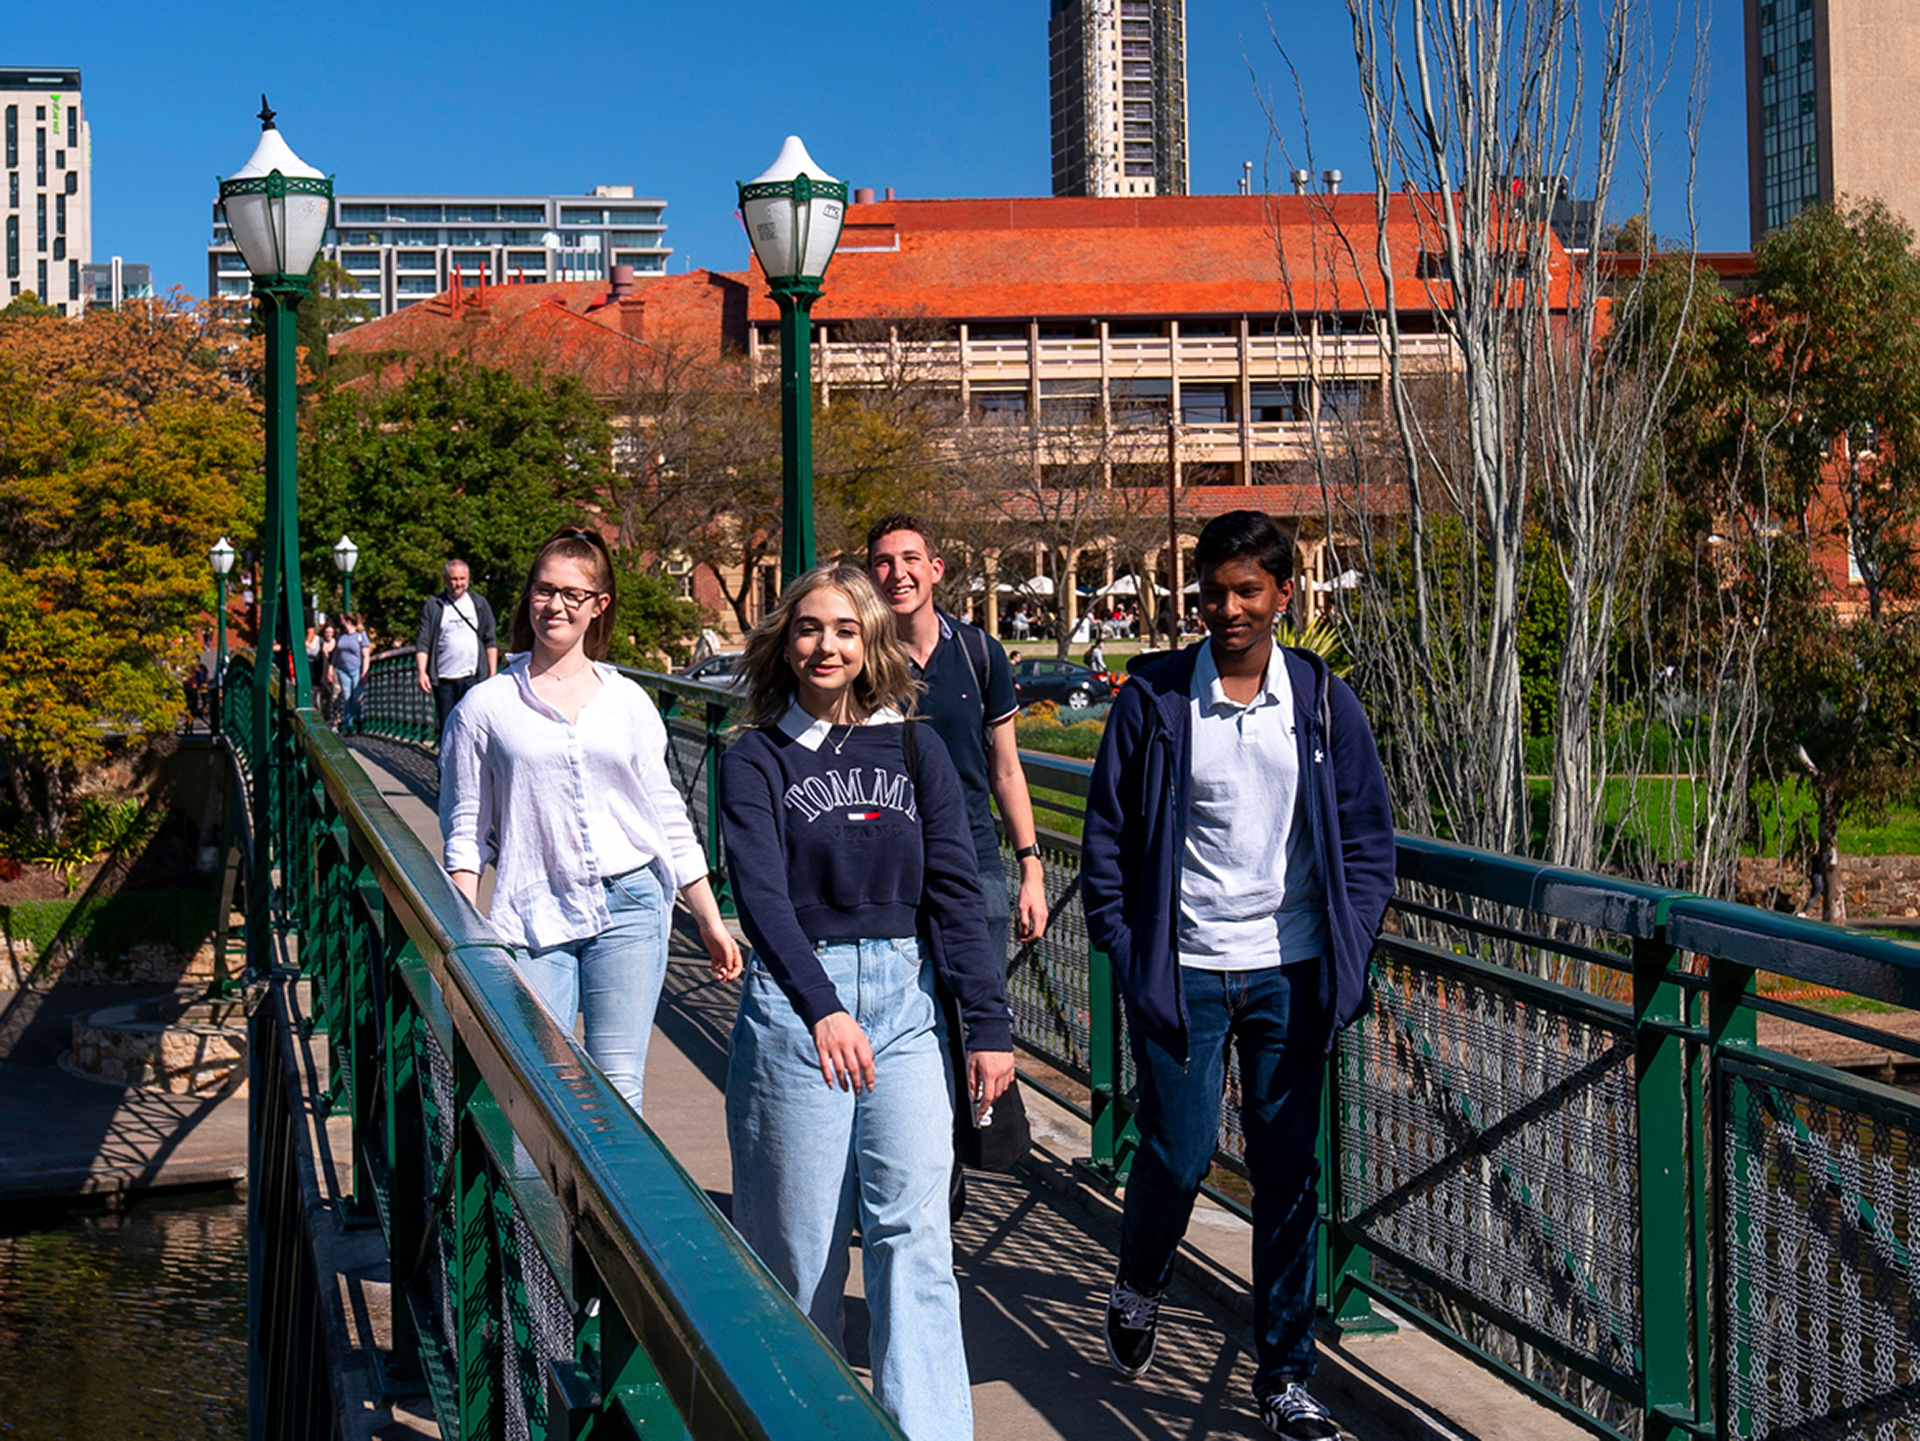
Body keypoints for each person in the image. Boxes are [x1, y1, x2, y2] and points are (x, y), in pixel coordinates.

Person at [1081, 510, 1395, 1440]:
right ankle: (1139, 1283)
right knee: (1176, 1155)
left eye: (1247, 590)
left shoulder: (1323, 702)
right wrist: (1120, 941)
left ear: (1282, 596)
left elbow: (1369, 838)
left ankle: (1285, 1377)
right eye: (1213, 590)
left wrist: (1353, 936)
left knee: (1287, 1174)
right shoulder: (1157, 699)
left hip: (1289, 973)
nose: (1227, 607)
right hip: (1182, 970)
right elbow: (1108, 834)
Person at [720, 563, 1013, 1441]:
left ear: (871, 641)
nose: (826, 645)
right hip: (797, 1003)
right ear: (786, 639)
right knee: (799, 1249)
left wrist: (988, 1026)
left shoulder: (916, 747)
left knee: (914, 1238)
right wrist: (820, 1006)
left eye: (846, 629)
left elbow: (957, 892)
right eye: (809, 627)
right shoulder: (755, 756)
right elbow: (761, 899)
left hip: (906, 1001)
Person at [438, 526, 739, 1112]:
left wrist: (708, 917)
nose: (556, 605)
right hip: (532, 908)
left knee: (617, 1089)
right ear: (528, 598)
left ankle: (597, 1211)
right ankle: (543, 1207)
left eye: (574, 594)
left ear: (598, 605)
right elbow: (465, 833)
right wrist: (463, 937)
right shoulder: (485, 707)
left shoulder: (628, 702)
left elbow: (667, 816)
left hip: (631, 904)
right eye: (545, 591)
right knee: (537, 1088)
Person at [867, 515, 1049, 982]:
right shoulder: (860, 660)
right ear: (870, 576)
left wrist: (1031, 868)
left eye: (910, 559)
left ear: (936, 568)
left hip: (974, 860)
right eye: (883, 563)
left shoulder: (979, 654)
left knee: (981, 1017)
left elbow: (1006, 772)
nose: (898, 574)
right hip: (887, 865)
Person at [415, 559, 498, 740]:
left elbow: (490, 640)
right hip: (444, 679)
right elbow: (423, 641)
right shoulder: (434, 605)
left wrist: (492, 674)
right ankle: (446, 768)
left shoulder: (479, 604)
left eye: (461, 579)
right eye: (453, 579)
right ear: (445, 579)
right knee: (448, 729)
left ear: (468, 578)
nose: (457, 584)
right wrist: (422, 672)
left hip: (473, 677)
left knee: (474, 727)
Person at [333, 614, 370, 733]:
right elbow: (336, 653)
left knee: (356, 698)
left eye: (343, 620)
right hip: (342, 669)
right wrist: (331, 667)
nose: (341, 623)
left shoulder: (360, 636)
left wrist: (364, 673)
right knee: (347, 696)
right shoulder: (341, 636)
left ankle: (359, 719)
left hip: (356, 669)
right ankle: (348, 726)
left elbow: (366, 656)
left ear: (349, 621)